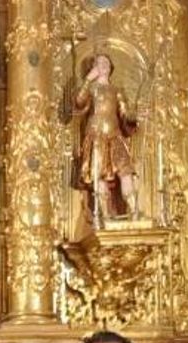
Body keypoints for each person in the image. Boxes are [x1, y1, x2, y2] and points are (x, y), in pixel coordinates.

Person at [70, 53, 138, 225]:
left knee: (126, 171)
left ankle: (134, 210)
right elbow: (79, 101)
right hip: (96, 135)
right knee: (98, 173)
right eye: (99, 63)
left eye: (107, 62)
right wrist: (87, 80)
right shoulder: (92, 88)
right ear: (94, 68)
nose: (104, 65)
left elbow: (124, 112)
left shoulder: (117, 90)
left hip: (115, 136)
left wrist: (132, 117)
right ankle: (104, 215)